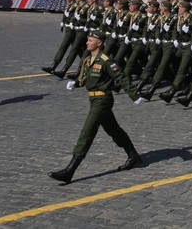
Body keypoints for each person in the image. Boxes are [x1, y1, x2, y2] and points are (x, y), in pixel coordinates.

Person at [48, 30, 147, 185]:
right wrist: (76, 83)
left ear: (99, 43)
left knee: (87, 132)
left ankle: (70, 171)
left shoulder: (106, 61)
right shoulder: (87, 59)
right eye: (87, 40)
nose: (87, 42)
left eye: (90, 40)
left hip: (103, 100)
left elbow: (121, 77)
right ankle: (133, 155)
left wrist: (134, 95)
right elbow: (85, 78)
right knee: (114, 130)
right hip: (93, 99)